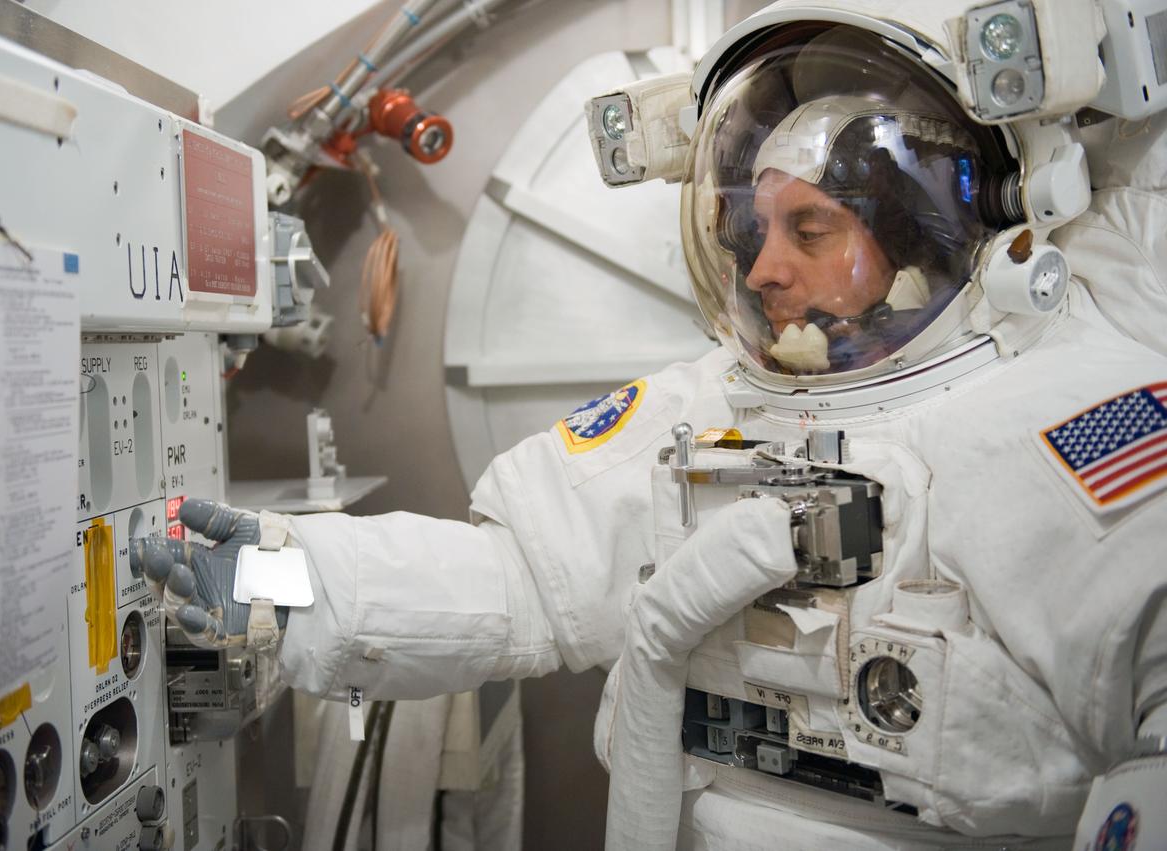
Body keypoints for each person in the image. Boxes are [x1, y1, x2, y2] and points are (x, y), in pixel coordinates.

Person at [133, 3, 1167, 848]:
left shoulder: (1074, 424)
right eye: (751, 232)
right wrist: (278, 577)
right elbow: (514, 585)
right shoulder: (704, 408)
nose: (762, 270)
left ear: (922, 231)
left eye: (808, 229)